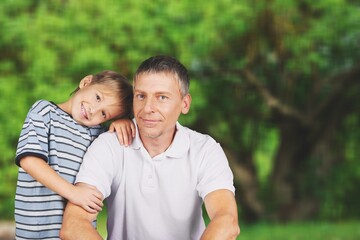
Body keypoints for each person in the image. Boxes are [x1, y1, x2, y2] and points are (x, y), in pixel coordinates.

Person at [60, 56, 240, 240]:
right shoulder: (108, 145)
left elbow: (226, 220)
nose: (148, 108)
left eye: (162, 97)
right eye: (141, 96)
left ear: (184, 104)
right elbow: (74, 225)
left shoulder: (205, 150)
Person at [14, 70, 135, 239]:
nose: (94, 110)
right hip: (36, 232)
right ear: (86, 82)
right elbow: (30, 161)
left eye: (104, 114)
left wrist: (122, 122)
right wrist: (73, 193)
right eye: (98, 97)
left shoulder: (97, 134)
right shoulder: (44, 112)